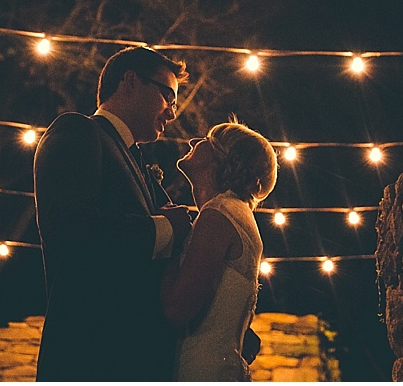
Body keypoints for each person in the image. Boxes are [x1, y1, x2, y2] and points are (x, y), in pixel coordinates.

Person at [33, 46, 193, 381]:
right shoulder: (78, 131)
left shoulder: (139, 164)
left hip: (134, 361)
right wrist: (165, 229)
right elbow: (73, 230)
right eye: (168, 96)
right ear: (131, 81)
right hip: (89, 355)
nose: (172, 113)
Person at [161, 120, 279, 381]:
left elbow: (176, 309)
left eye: (205, 139)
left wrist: (171, 238)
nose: (193, 141)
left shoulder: (219, 215)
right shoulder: (236, 212)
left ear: (220, 158)